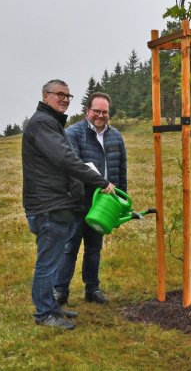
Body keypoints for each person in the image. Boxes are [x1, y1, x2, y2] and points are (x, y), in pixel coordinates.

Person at [22, 79, 115, 330]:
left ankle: (52, 308)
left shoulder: (50, 123)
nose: (64, 99)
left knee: (51, 260)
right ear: (45, 96)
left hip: (56, 202)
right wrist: (99, 181)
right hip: (48, 204)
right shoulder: (42, 124)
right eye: (58, 94)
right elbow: (65, 158)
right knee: (47, 262)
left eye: (67, 95)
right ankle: (44, 313)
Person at [54, 92, 127, 307]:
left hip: (104, 204)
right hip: (79, 201)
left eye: (104, 112)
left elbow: (121, 168)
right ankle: (60, 291)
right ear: (88, 111)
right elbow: (73, 165)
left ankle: (92, 289)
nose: (100, 115)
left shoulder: (116, 136)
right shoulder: (74, 134)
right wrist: (99, 183)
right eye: (96, 111)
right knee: (70, 247)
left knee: (94, 248)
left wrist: (121, 199)